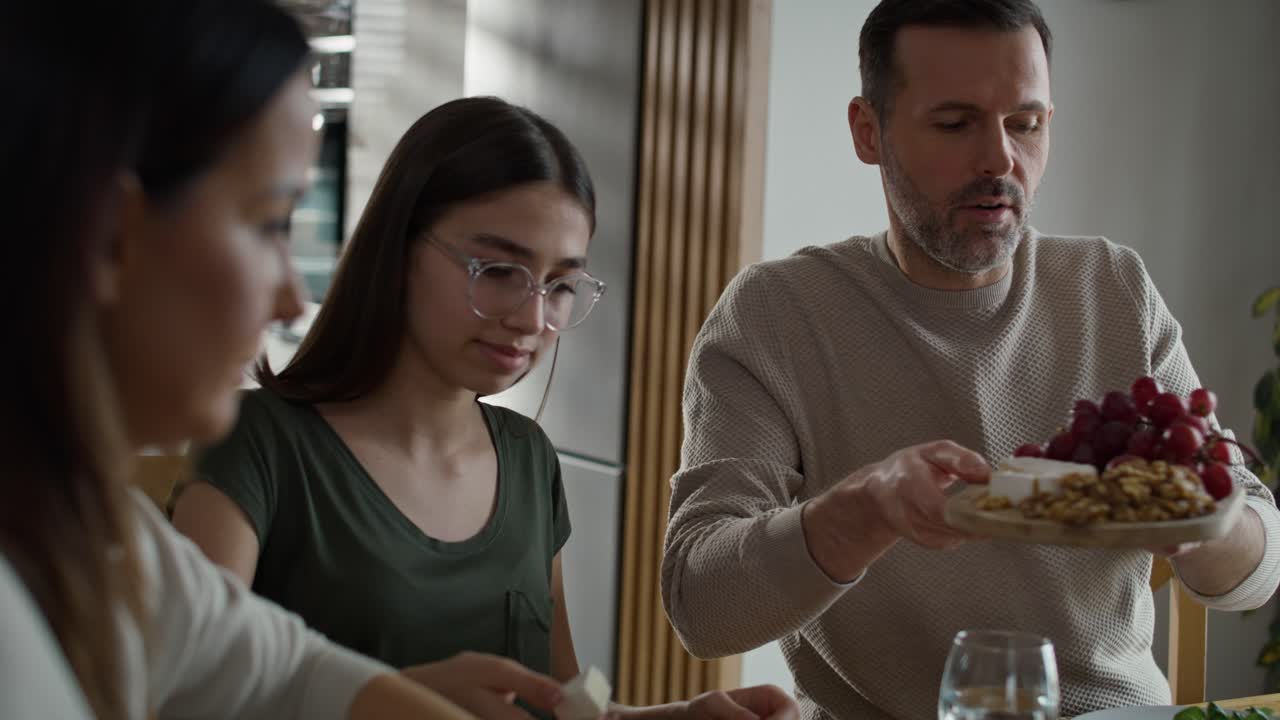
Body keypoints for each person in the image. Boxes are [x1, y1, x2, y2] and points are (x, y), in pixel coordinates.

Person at [659, 1, 1280, 718]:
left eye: (1026, 124)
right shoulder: (776, 313)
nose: (1000, 159)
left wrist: (1206, 525)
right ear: (868, 131)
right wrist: (865, 510)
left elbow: (1259, 566)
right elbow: (701, 608)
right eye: (956, 124)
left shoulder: (1112, 286)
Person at [169, 96, 798, 720]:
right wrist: (387, 706)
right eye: (498, 270)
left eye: (560, 285)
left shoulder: (527, 458)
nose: (531, 318)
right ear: (399, 246)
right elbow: (178, 698)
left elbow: (563, 708)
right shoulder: (257, 444)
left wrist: (679, 719)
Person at [0, 1, 513, 717]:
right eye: (270, 222)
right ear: (112, 236)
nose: (290, 298)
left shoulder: (100, 536)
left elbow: (287, 673)